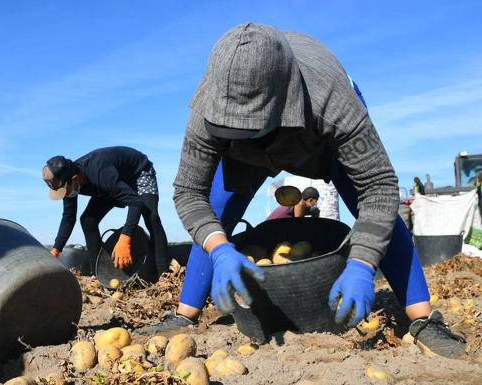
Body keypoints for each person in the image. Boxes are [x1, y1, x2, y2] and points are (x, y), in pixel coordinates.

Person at [141, 23, 466, 358]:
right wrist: (219, 247)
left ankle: (424, 319)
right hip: (245, 154)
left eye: (247, 123)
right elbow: (189, 192)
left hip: (317, 141)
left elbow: (379, 188)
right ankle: (184, 314)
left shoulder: (334, 102)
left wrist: (363, 263)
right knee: (217, 214)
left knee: (372, 210)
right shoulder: (207, 107)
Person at [42, 146, 169, 280]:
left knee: (151, 217)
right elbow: (68, 217)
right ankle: (98, 273)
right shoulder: (68, 183)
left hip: (138, 173)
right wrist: (56, 250)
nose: (66, 195)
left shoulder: (100, 173)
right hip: (112, 185)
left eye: (65, 191)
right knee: (88, 220)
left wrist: (125, 239)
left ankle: (164, 274)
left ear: (74, 179)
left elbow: (135, 202)